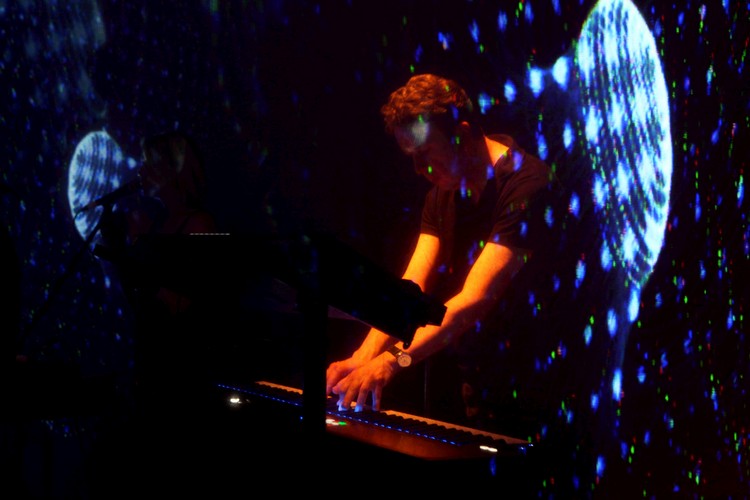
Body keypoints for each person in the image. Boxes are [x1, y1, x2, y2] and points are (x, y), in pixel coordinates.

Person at [325, 74, 564, 441]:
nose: (419, 170)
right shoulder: (442, 195)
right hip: (479, 386)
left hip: (543, 389)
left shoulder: (527, 185)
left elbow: (474, 300)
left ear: (462, 135)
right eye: (412, 158)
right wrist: (362, 356)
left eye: (424, 154)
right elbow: (409, 293)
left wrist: (392, 361)